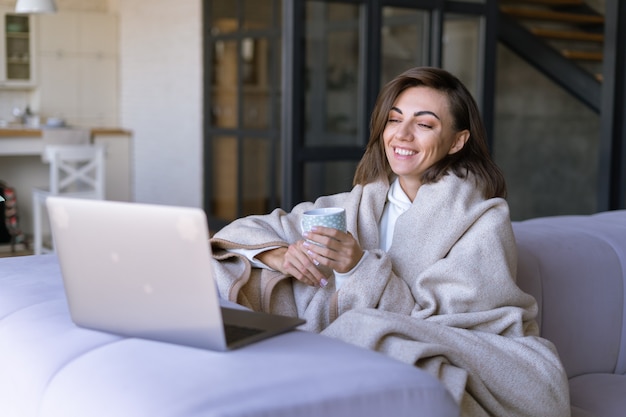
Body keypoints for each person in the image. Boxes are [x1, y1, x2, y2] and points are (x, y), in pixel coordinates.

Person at [210, 67, 570, 417]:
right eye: (395, 119)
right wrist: (277, 254)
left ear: (457, 141)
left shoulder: (484, 221)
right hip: (364, 356)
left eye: (424, 124)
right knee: (224, 271)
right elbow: (246, 231)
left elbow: (437, 325)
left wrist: (358, 267)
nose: (402, 135)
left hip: (460, 350)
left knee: (365, 330)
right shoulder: (359, 204)